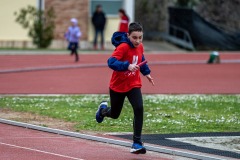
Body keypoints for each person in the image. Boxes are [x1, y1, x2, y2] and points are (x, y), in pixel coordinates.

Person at [95, 22, 154, 154]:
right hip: (118, 86)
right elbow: (111, 62)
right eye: (134, 37)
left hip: (133, 84)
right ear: (128, 36)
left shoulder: (140, 46)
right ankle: (103, 111)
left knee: (139, 108)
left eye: (140, 37)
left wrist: (147, 73)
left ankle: (137, 143)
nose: (138, 41)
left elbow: (141, 59)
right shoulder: (123, 47)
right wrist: (126, 66)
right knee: (115, 114)